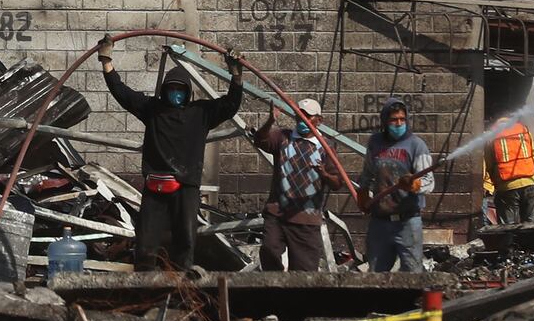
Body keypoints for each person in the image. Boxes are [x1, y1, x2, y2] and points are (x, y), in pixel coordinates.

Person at [98, 34, 243, 271]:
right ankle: (143, 282)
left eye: (180, 90)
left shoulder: (201, 113)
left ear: (188, 93)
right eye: (171, 89)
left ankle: (182, 283)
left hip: (185, 185)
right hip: (155, 183)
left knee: (185, 239)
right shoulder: (152, 109)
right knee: (146, 240)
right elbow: (121, 92)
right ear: (164, 91)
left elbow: (230, 105)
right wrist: (106, 60)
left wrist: (236, 76)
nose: (175, 94)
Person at [254, 99, 343, 272]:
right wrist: (270, 121)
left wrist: (324, 174)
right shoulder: (283, 138)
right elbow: (260, 140)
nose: (302, 120)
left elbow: (337, 183)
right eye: (299, 116)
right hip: (278, 212)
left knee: (304, 272)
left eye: (307, 117)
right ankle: (275, 291)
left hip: (306, 218)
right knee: (269, 250)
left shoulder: (325, 147)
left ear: (318, 120)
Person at [356, 98, 434, 273]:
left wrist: (413, 184)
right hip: (380, 221)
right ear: (385, 121)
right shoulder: (375, 143)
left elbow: (429, 182)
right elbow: (368, 172)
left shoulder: (416, 145)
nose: (398, 123)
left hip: (407, 221)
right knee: (376, 273)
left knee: (412, 273)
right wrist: (362, 192)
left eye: (402, 119)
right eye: (393, 120)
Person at [484, 117, 534, 224]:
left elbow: (488, 164)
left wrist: (491, 184)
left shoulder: (492, 135)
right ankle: (531, 240)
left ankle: (508, 241)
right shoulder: (523, 130)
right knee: (530, 224)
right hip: (529, 182)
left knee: (507, 227)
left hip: (507, 186)